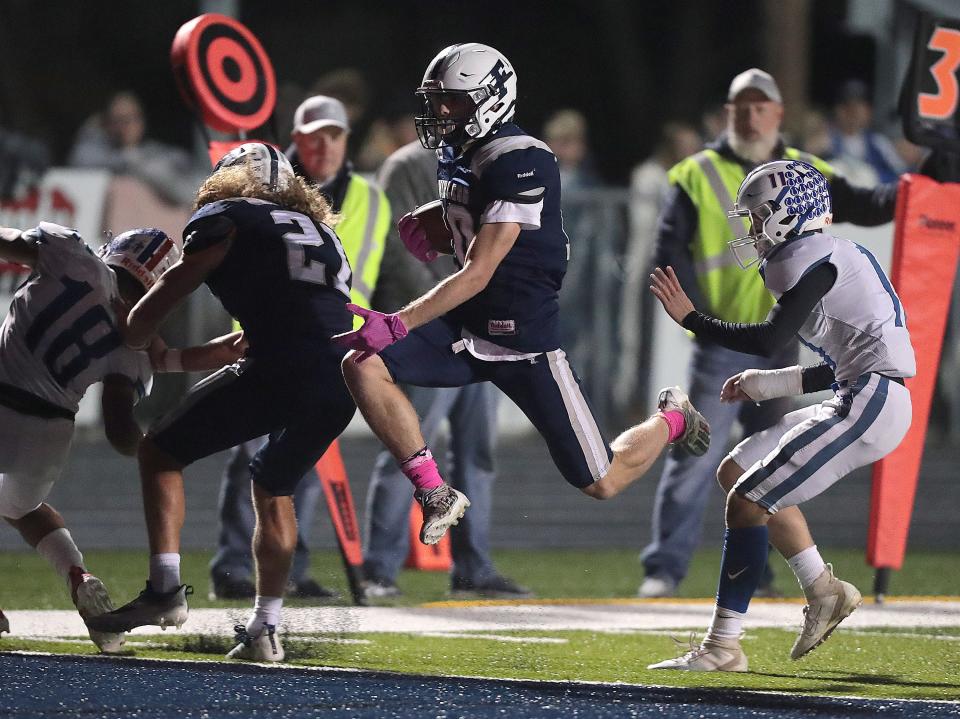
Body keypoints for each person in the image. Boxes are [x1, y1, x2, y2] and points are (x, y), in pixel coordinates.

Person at [333, 43, 710, 554]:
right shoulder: (459, 150)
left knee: (602, 480)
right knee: (362, 364)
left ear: (490, 100)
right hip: (467, 328)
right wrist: (443, 222)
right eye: (439, 100)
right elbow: (481, 230)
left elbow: (480, 271)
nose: (442, 112)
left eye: (455, 101)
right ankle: (436, 492)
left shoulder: (520, 158)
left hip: (523, 340)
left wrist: (398, 322)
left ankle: (673, 418)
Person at [89, 143, 357, 663]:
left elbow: (173, 285)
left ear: (229, 180)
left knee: (160, 452)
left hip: (282, 365)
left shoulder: (224, 215)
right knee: (273, 484)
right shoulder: (324, 233)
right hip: (341, 375)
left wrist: (134, 330)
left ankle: (164, 591)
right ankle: (265, 628)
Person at [638, 68, 899, 599]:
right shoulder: (697, 172)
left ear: (778, 113)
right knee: (710, 462)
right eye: (740, 106)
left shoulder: (810, 184)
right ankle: (668, 569)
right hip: (742, 349)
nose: (749, 115)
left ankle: (767, 583)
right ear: (727, 113)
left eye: (760, 106)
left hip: (789, 351)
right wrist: (707, 326)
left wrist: (925, 184)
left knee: (766, 473)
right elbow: (671, 253)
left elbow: (871, 204)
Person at [647, 159, 914, 670]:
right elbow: (844, 362)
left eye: (757, 215)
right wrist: (770, 384)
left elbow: (771, 339)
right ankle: (823, 589)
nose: (750, 227)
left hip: (871, 401)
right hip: (862, 392)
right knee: (735, 472)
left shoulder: (812, 256)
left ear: (788, 214)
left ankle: (723, 646)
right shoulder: (830, 255)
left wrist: (692, 319)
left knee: (749, 502)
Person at [0, 222, 237, 652]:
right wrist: (148, 449)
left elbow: (8, 242)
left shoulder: (70, 256)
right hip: (47, 435)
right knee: (23, 507)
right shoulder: (134, 345)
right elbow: (118, 427)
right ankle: (78, 575)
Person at [208, 96, 388, 601]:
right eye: (314, 135)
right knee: (253, 457)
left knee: (303, 462)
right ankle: (233, 567)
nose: (324, 145)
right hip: (266, 338)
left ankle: (289, 568)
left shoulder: (371, 198)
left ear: (347, 139)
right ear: (296, 137)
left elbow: (366, 277)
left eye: (334, 134)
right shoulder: (259, 185)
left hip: (328, 347)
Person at [361, 139, 529, 599]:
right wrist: (445, 309)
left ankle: (474, 568)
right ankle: (379, 568)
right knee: (410, 446)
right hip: (433, 333)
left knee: (477, 453)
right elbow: (398, 250)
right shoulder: (407, 166)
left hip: (480, 333)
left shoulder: (486, 166)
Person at [68, 92, 203, 207]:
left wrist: (138, 161)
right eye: (118, 120)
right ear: (107, 123)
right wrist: (90, 130)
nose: (124, 126)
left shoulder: (156, 153)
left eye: (131, 118)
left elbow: (189, 185)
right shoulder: (99, 155)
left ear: (141, 121)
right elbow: (79, 162)